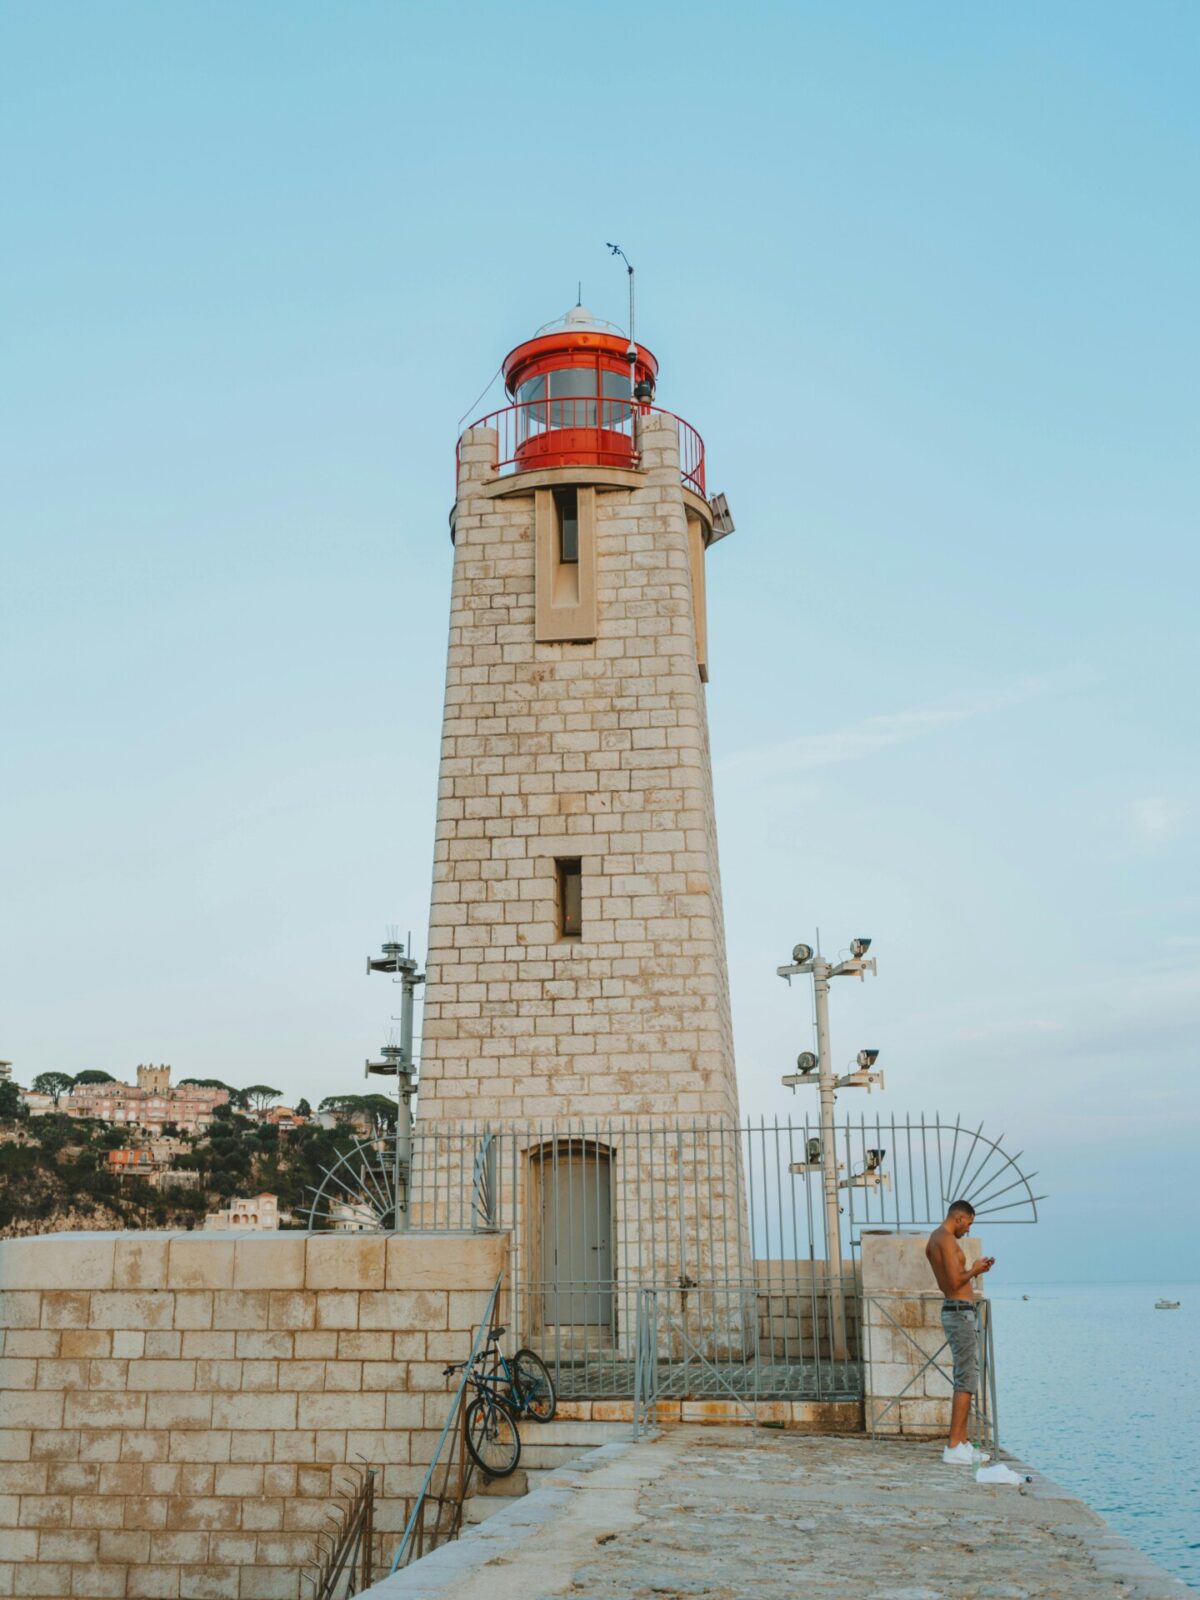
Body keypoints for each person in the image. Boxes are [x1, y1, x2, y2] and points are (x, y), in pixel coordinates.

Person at [925, 1199, 995, 1465]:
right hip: (959, 1311)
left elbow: (952, 1278)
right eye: (968, 1223)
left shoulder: (935, 1239)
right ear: (959, 1218)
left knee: (966, 1375)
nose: (968, 1230)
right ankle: (954, 1446)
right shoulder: (945, 1240)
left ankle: (963, 1443)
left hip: (956, 1308)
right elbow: (955, 1282)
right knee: (967, 1378)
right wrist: (975, 1270)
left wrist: (974, 1270)